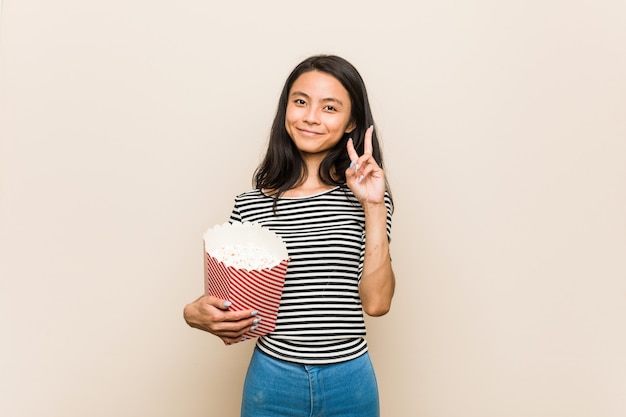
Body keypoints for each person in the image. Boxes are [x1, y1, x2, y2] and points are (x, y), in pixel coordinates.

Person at [183, 54, 395, 417]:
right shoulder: (249, 206)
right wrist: (193, 314)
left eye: (330, 107)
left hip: (350, 378)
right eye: (300, 102)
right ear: (286, 110)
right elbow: (229, 304)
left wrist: (374, 205)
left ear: (351, 122)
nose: (311, 116)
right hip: (272, 378)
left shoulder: (368, 198)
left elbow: (377, 304)